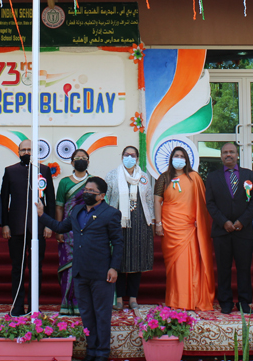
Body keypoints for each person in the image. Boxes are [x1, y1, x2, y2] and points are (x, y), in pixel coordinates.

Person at [39, 176, 122, 361]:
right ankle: (91, 350)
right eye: (86, 190)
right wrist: (42, 215)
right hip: (80, 272)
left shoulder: (111, 213)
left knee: (102, 314)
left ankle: (102, 353)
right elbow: (60, 226)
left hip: (101, 273)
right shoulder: (77, 210)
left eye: (91, 191)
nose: (87, 193)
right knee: (86, 314)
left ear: (101, 196)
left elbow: (118, 243)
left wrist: (114, 268)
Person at [153, 146, 215, 311]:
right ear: (171, 158)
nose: (179, 159)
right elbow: (157, 201)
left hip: (188, 227)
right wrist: (158, 223)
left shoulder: (194, 177)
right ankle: (175, 299)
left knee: (190, 263)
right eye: (176, 156)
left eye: (182, 156)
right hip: (169, 226)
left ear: (187, 159)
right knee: (174, 266)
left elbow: (201, 203)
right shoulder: (164, 178)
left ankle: (191, 299)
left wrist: (199, 220)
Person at [205, 142, 253, 314]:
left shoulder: (249, 175)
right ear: (221, 156)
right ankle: (226, 302)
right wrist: (224, 222)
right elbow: (210, 203)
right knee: (223, 268)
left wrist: (242, 221)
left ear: (237, 155)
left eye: (231, 152)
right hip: (222, 231)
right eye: (225, 152)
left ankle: (244, 302)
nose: (228, 155)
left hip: (243, 231)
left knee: (244, 268)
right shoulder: (212, 177)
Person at [0, 140, 54, 316]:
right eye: (23, 150)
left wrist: (48, 224)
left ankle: (33, 306)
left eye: (30, 149)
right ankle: (17, 306)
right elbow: (3, 200)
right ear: (18, 152)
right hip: (16, 227)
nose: (26, 152)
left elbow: (50, 199)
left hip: (38, 227)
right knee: (18, 268)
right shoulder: (10, 171)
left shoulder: (44, 170)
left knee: (36, 268)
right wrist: (5, 224)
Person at [104, 145, 154, 311]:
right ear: (122, 157)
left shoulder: (143, 177)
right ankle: (119, 298)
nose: (129, 158)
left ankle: (133, 297)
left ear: (137, 158)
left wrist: (151, 222)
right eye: (127, 154)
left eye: (133, 155)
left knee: (136, 261)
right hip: (118, 224)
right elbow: (106, 199)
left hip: (140, 225)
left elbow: (149, 201)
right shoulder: (112, 175)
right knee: (118, 260)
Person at [55, 148, 90, 315]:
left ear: (88, 161)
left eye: (84, 157)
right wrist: (59, 229)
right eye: (77, 157)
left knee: (85, 266)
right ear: (71, 162)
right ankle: (67, 304)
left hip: (88, 230)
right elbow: (59, 206)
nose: (80, 160)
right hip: (68, 231)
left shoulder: (93, 182)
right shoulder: (64, 183)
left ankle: (82, 304)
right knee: (68, 267)